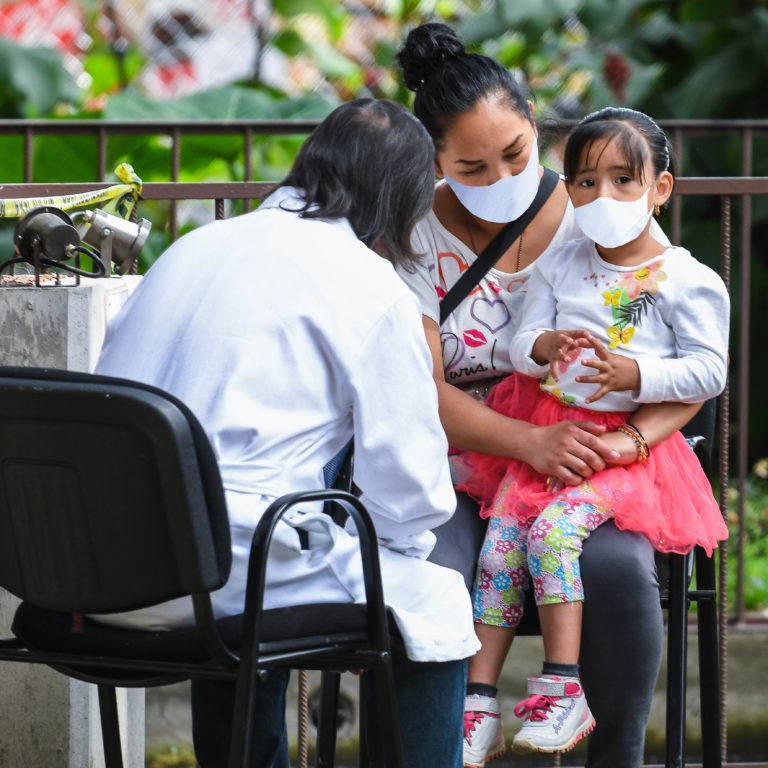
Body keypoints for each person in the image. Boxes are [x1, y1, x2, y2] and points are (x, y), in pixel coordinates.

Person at [92, 98, 480, 768]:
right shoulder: (367, 284)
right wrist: (377, 576)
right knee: (434, 599)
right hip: (216, 578)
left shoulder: (192, 249)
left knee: (260, 548)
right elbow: (411, 499)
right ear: (399, 204)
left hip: (91, 569)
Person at [395, 22, 709, 768]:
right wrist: (530, 438)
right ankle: (439, 739)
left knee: (617, 569)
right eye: (472, 166)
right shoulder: (412, 236)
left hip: (593, 457)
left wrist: (625, 438)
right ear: (435, 161)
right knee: (431, 569)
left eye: (516, 153)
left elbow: (690, 364)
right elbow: (419, 387)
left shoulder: (595, 213)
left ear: (536, 128)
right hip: (461, 461)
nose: (501, 175)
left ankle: (614, 748)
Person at [455, 107, 729, 755]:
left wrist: (635, 374)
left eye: (622, 180)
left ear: (660, 187)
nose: (600, 197)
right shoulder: (562, 262)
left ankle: (562, 689)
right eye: (584, 182)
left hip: (631, 453)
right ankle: (477, 703)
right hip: (546, 433)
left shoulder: (689, 281)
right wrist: (547, 345)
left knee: (551, 537)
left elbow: (708, 371)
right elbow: (521, 343)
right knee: (498, 550)